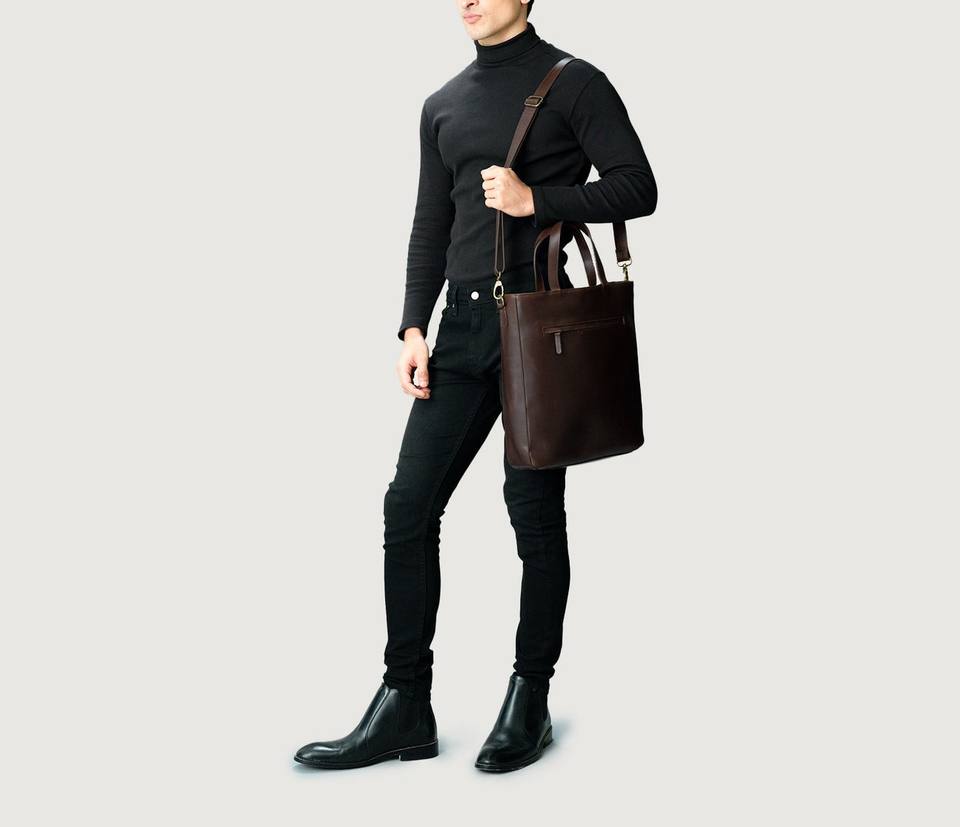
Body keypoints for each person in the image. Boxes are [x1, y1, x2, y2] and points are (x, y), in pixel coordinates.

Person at [294, 0, 657, 773]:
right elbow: (431, 221)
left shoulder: (574, 82)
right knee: (407, 505)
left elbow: (638, 186)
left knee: (533, 513)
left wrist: (536, 200)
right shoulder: (443, 104)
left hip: (537, 328)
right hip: (458, 331)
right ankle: (404, 703)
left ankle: (530, 696)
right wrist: (411, 326)